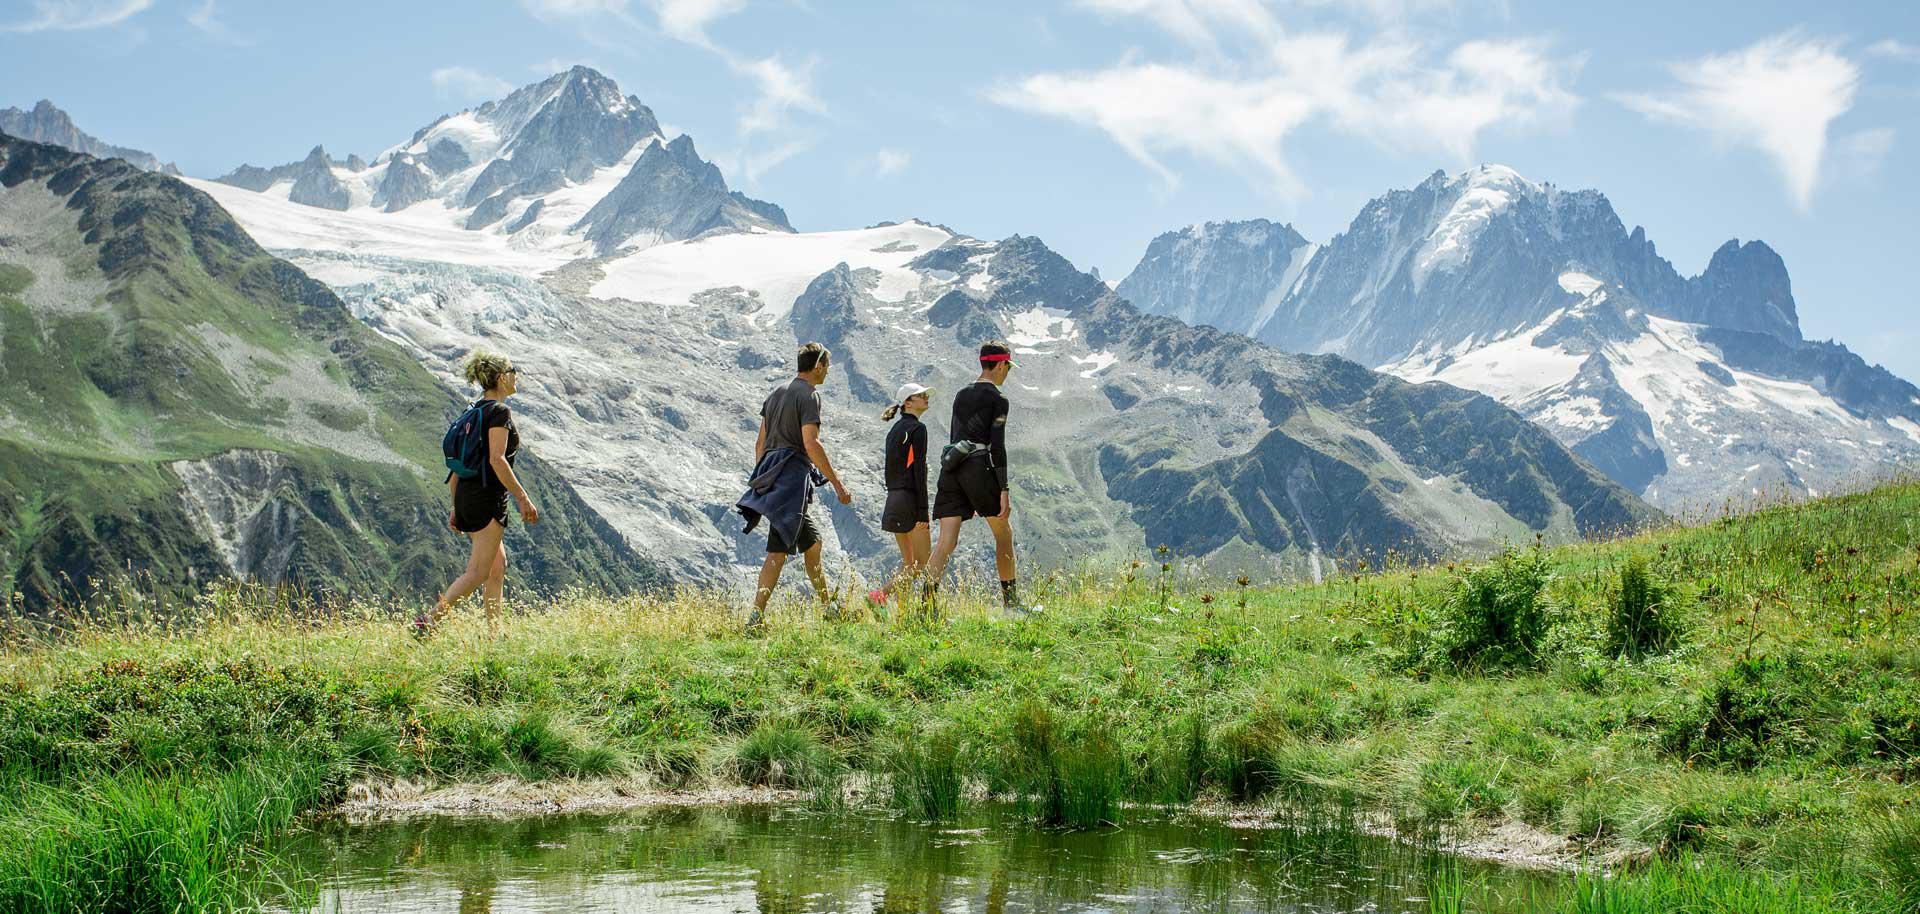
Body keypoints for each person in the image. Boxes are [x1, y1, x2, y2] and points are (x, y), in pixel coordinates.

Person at [415, 350, 539, 636]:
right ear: (501, 377)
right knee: (477, 572)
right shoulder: (499, 412)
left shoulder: (472, 411)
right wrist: (523, 498)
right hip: (486, 500)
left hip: (467, 497)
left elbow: (457, 467)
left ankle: (495, 634)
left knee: (497, 565)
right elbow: (498, 459)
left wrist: (456, 507)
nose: (516, 374)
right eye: (513, 369)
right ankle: (429, 623)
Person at [737, 342, 853, 630]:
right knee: (778, 550)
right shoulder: (809, 395)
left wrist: (766, 478)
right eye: (827, 365)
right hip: (791, 481)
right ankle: (755, 618)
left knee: (813, 543)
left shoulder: (776, 394)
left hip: (772, 475)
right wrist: (838, 484)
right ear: (818, 366)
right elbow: (810, 443)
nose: (828, 371)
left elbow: (760, 444)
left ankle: (828, 608)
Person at [923, 340, 1030, 614]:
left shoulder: (961, 394)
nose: (1008, 373)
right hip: (978, 468)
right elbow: (998, 445)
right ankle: (1012, 606)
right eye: (1008, 367)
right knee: (1003, 533)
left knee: (946, 541)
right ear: (1002, 364)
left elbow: (956, 434)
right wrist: (1003, 487)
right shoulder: (999, 400)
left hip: (951, 467)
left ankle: (925, 609)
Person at [876, 382, 934, 603]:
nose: (926, 397)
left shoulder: (894, 430)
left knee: (908, 565)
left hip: (894, 499)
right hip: (910, 500)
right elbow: (918, 471)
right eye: (921, 395)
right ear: (908, 402)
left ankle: (902, 615)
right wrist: (923, 512)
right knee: (921, 564)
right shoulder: (918, 429)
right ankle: (877, 597)